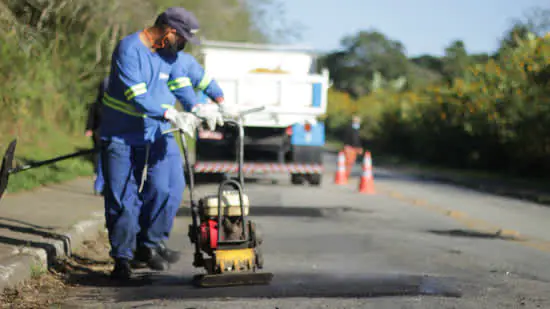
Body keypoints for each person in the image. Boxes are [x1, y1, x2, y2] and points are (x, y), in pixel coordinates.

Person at [100, 7, 224, 280]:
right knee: (123, 199)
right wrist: (171, 113)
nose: (182, 46)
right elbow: (137, 96)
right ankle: (122, 260)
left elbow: (180, 83)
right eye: (181, 39)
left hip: (149, 132)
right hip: (120, 135)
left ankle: (146, 246)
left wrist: (200, 107)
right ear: (170, 32)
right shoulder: (129, 50)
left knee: (162, 189)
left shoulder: (167, 55)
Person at [85, 76, 109, 195]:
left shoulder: (113, 105)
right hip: (99, 135)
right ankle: (99, 186)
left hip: (111, 135)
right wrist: (89, 129)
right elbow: (91, 118)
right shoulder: (96, 105)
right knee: (100, 159)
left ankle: (105, 186)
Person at [343, 115, 363, 179]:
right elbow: (355, 139)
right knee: (349, 162)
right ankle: (345, 175)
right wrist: (358, 147)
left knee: (347, 162)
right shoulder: (354, 129)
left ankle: (345, 175)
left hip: (348, 147)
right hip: (351, 148)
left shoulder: (349, 128)